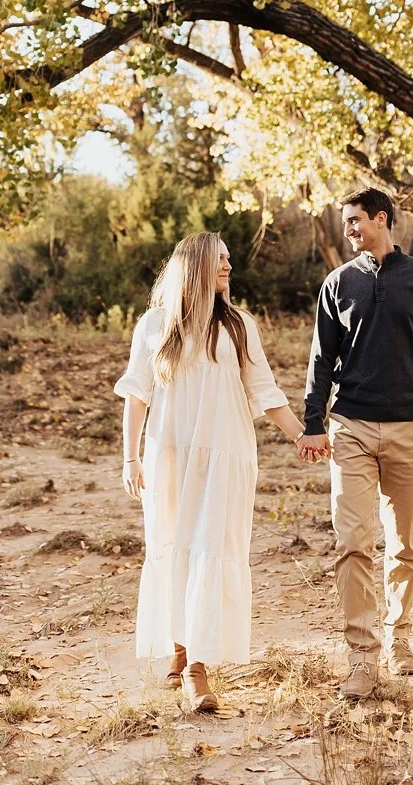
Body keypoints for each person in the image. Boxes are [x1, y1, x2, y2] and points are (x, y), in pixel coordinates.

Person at [117, 232, 306, 713]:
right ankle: (179, 649)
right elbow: (137, 394)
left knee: (211, 548)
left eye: (229, 259)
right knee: (172, 545)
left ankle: (196, 668)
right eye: (220, 259)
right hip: (170, 455)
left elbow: (264, 391)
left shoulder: (239, 325)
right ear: (196, 264)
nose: (228, 266)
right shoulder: (155, 324)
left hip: (225, 454)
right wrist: (130, 457)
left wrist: (302, 436)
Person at [299, 187, 413, 700]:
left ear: (381, 219)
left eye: (355, 220)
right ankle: (362, 657)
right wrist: (313, 422)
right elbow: (321, 359)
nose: (348, 229)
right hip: (351, 426)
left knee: (405, 543)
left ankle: (400, 636)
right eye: (345, 221)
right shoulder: (338, 282)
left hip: (410, 427)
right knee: (353, 542)